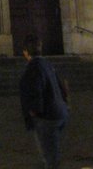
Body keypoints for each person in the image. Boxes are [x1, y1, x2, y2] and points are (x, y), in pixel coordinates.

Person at [19, 34, 69, 169]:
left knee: (50, 157)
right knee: (52, 151)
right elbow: (61, 87)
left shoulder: (33, 68)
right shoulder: (47, 64)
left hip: (47, 117)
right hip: (60, 113)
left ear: (25, 52)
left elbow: (34, 92)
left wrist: (34, 112)